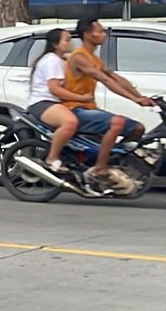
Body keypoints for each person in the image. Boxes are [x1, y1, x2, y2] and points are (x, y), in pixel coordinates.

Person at [64, 18, 152, 188]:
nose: (103, 34)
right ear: (88, 35)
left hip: (89, 109)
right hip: (74, 109)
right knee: (117, 122)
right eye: (100, 31)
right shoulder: (79, 57)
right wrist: (135, 100)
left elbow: (115, 78)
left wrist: (142, 97)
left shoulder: (95, 59)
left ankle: (110, 159)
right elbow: (104, 79)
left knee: (137, 128)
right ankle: (99, 169)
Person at [26, 28, 88, 170]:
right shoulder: (51, 60)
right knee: (70, 122)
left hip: (55, 103)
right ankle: (51, 158)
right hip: (42, 104)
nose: (70, 43)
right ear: (55, 44)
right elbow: (55, 89)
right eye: (66, 40)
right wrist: (81, 98)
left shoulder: (62, 60)